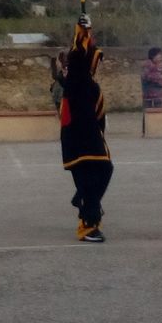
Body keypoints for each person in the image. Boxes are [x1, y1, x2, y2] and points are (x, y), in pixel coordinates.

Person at [60, 14, 113, 243]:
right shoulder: (77, 76)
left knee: (101, 172)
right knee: (95, 174)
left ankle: (84, 205)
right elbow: (80, 51)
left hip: (88, 134)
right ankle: (88, 225)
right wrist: (83, 29)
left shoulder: (89, 82)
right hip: (79, 135)